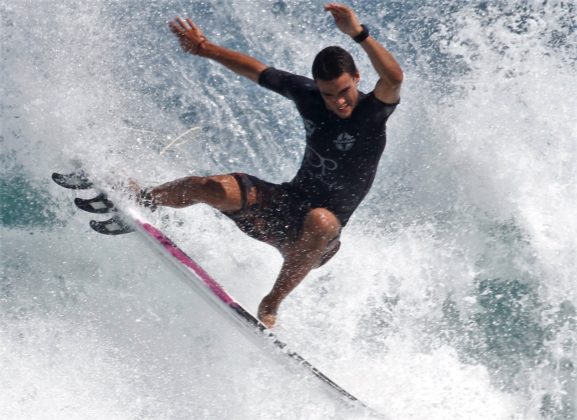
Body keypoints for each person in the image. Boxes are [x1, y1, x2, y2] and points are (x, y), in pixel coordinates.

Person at [139, 3, 403, 328]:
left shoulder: (373, 112)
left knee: (321, 220)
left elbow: (393, 77)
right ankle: (142, 200)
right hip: (282, 209)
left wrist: (358, 33)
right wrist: (205, 48)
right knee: (212, 187)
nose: (338, 101)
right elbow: (258, 71)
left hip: (316, 241)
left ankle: (271, 302)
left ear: (357, 79)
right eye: (328, 94)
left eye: (344, 91)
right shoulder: (308, 95)